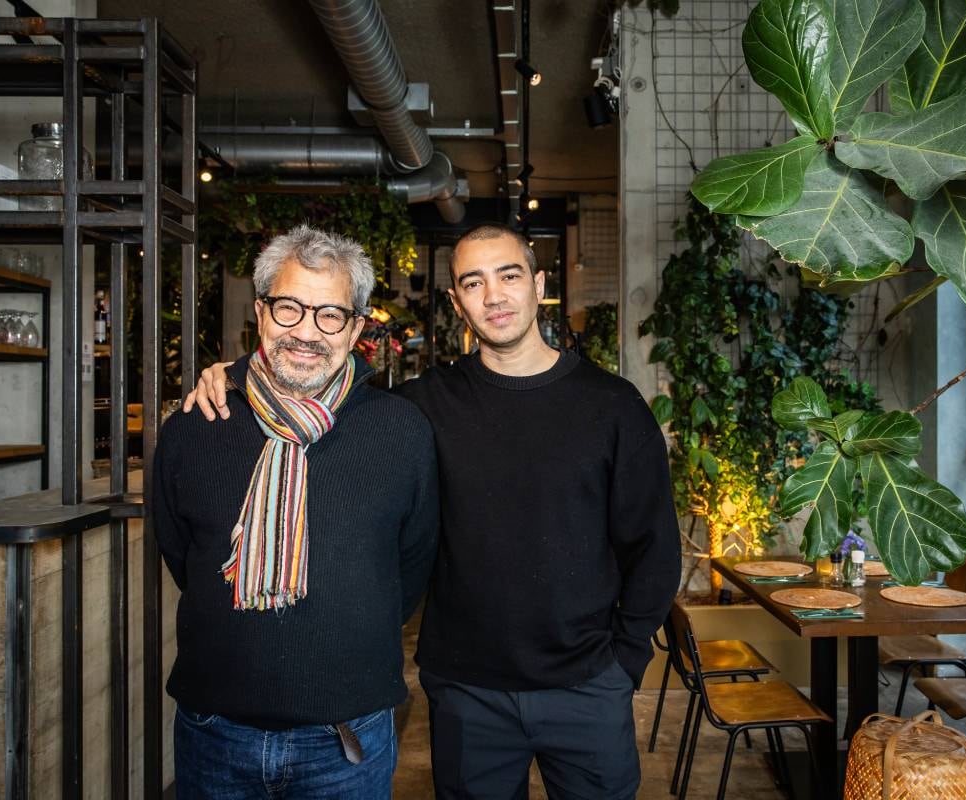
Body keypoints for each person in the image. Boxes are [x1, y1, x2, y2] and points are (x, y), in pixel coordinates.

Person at [187, 223, 682, 799]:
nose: (493, 295)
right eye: (473, 282)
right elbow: (315, 381)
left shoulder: (613, 406)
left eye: (509, 275)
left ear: (539, 284)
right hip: (467, 692)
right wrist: (237, 375)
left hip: (588, 686)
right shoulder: (421, 406)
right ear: (456, 301)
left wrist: (622, 663)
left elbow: (653, 548)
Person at [154, 225, 439, 799]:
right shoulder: (196, 424)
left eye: (330, 314)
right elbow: (183, 554)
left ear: (356, 327)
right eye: (289, 308)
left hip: (346, 740)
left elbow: (410, 569)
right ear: (261, 314)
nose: (306, 331)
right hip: (214, 733)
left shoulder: (401, 430)